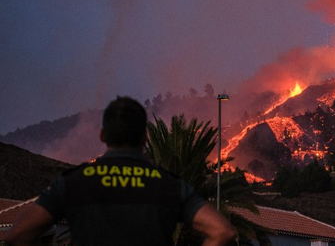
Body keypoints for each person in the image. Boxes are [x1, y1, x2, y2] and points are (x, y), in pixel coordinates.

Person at [3, 97, 236, 246]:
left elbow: (17, 235)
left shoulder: (74, 182)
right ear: (146, 136)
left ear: (103, 135)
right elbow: (222, 231)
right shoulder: (168, 185)